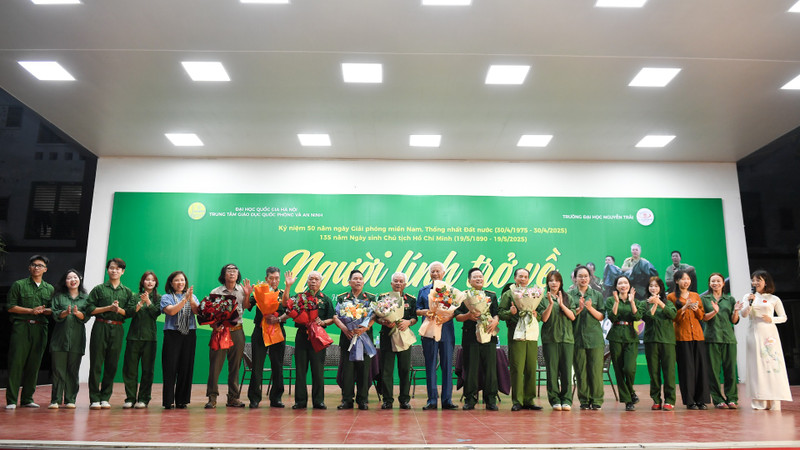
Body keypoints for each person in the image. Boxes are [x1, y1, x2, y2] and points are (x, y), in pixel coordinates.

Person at [740, 270, 793, 410]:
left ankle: (774, 400)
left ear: (766, 282)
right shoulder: (748, 296)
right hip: (753, 332)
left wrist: (772, 319)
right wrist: (749, 304)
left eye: (758, 280)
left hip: (769, 334)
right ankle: (759, 400)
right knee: (756, 365)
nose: (755, 282)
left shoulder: (774, 299)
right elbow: (743, 314)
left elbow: (784, 317)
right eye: (753, 280)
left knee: (771, 364)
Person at [5, 255, 53, 409]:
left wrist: (45, 310)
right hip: (22, 326)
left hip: (40, 328)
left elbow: (53, 309)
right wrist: (31, 311)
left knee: (34, 364)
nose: (36, 268)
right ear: (29, 267)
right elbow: (10, 307)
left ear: (45, 269)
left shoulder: (50, 289)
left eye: (40, 265)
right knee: (16, 363)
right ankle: (11, 400)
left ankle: (27, 399)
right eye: (34, 265)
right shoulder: (19, 285)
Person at [87, 257, 135, 410]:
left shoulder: (127, 292)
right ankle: (94, 398)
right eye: (112, 268)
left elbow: (130, 312)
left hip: (117, 328)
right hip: (100, 326)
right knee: (96, 363)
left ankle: (105, 397)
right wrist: (108, 308)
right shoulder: (99, 289)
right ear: (107, 270)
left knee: (112, 364)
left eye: (118, 268)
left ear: (123, 272)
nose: (114, 271)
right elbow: (89, 309)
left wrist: (118, 310)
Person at [283, 270, 334, 409]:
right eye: (311, 279)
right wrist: (288, 286)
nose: (313, 281)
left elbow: (332, 318)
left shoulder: (325, 299)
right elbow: (286, 304)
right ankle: (300, 401)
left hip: (318, 338)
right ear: (307, 281)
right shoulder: (299, 297)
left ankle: (318, 401)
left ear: (321, 282)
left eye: (316, 279)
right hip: (302, 336)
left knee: (318, 371)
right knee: (300, 371)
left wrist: (323, 322)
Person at [205, 263, 253, 409]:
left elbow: (247, 307)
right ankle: (212, 398)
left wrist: (248, 294)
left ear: (238, 275)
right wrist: (214, 326)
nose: (232, 273)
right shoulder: (216, 291)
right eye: (229, 270)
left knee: (235, 366)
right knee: (215, 365)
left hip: (237, 331)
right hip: (220, 331)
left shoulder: (242, 290)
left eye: (234, 271)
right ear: (223, 274)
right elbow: (209, 313)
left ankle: (233, 397)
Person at [498, 268, 543, 411]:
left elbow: (540, 314)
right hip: (516, 333)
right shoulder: (509, 293)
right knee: (517, 368)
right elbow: (500, 313)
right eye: (520, 276)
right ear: (515, 278)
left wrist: (536, 315)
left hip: (531, 334)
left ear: (528, 279)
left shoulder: (533, 293)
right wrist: (510, 313)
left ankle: (529, 400)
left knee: (531, 368)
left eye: (525, 277)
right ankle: (517, 401)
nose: (523, 279)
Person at [455, 268, 499, 411]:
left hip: (489, 335)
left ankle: (490, 400)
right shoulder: (464, 296)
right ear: (469, 281)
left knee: (490, 370)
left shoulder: (491, 295)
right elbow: (458, 316)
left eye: (480, 276)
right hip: (470, 337)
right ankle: (470, 399)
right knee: (471, 369)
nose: (478, 279)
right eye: (475, 277)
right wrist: (468, 316)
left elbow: (496, 313)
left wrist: (495, 321)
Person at [416, 261, 458, 410]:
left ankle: (447, 400)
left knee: (447, 365)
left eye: (437, 271)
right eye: (432, 271)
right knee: (430, 365)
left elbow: (455, 311)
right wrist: (425, 312)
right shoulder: (423, 291)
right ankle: (432, 400)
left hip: (446, 331)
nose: (435, 274)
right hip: (429, 331)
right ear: (429, 274)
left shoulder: (450, 290)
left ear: (443, 274)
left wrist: (448, 317)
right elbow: (417, 310)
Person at [667, 269, 710, 410]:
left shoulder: (695, 295)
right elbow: (673, 317)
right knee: (686, 369)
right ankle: (690, 401)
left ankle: (701, 400)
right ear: (677, 281)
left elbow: (701, 316)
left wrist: (696, 309)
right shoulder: (671, 297)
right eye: (683, 279)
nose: (686, 281)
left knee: (700, 368)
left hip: (697, 335)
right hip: (682, 336)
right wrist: (684, 307)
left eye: (688, 279)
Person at [333, 269, 376, 410]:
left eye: (360, 279)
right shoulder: (342, 298)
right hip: (348, 339)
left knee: (364, 371)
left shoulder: (370, 298)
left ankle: (362, 399)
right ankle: (347, 400)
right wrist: (345, 329)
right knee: (348, 371)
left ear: (363, 282)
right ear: (349, 282)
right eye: (355, 279)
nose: (358, 281)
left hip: (365, 339)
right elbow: (335, 316)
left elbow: (375, 316)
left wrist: (365, 328)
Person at [247, 266, 289, 408]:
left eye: (277, 278)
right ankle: (254, 398)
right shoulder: (259, 291)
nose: (274, 281)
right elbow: (247, 305)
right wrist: (247, 294)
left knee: (277, 366)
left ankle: (276, 398)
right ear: (266, 279)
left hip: (277, 332)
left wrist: (278, 319)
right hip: (260, 333)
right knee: (257, 366)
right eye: (271, 278)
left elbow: (289, 311)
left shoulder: (283, 293)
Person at [48, 269, 89, 410]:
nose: (72, 280)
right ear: (65, 282)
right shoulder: (58, 297)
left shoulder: (85, 298)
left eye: (75, 277)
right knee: (58, 371)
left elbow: (87, 316)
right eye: (69, 278)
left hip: (77, 340)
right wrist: (64, 313)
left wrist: (78, 314)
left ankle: (70, 399)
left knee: (73, 371)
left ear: (79, 279)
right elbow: (54, 313)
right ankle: (55, 400)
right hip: (59, 340)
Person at [376, 272, 417, 410]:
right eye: (396, 281)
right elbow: (377, 317)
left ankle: (404, 400)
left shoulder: (411, 299)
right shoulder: (383, 298)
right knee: (386, 370)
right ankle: (387, 400)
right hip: (387, 337)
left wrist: (408, 322)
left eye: (401, 281)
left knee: (404, 369)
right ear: (391, 284)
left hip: (404, 338)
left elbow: (415, 317)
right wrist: (384, 321)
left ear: (405, 284)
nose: (398, 283)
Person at [537, 271, 576, 411]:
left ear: (561, 283)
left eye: (557, 280)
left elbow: (573, 316)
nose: (554, 283)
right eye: (551, 280)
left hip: (567, 339)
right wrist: (550, 304)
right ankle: (554, 400)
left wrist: (562, 304)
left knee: (566, 371)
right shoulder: (542, 298)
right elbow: (544, 318)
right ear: (547, 283)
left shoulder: (568, 297)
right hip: (550, 339)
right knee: (552, 371)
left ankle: (567, 400)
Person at [122, 271, 161, 409]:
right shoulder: (134, 296)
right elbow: (128, 312)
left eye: (152, 280)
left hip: (150, 339)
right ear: (142, 282)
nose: (150, 282)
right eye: (147, 279)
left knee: (147, 370)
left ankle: (144, 399)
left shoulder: (158, 298)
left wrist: (148, 302)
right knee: (130, 369)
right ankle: (130, 398)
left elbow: (156, 313)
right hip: (133, 337)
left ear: (156, 283)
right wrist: (140, 303)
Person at [701, 273, 740, 409]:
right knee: (713, 371)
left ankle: (732, 398)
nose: (715, 283)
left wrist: (736, 311)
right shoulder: (704, 299)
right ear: (709, 284)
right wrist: (714, 312)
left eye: (718, 281)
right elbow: (703, 318)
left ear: (723, 283)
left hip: (729, 338)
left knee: (730, 371)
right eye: (713, 281)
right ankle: (718, 400)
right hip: (711, 338)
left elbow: (734, 320)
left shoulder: (730, 299)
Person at [160, 270, 199, 409]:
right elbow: (171, 311)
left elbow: (197, 311)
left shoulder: (192, 296)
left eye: (182, 280)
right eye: (176, 280)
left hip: (189, 333)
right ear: (171, 283)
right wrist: (184, 300)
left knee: (186, 367)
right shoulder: (166, 297)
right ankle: (168, 400)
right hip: (172, 334)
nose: (180, 283)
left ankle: (182, 400)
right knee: (170, 367)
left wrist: (190, 299)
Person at [569, 265, 605, 411]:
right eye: (580, 276)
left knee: (595, 371)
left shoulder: (597, 295)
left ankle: (596, 400)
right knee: (580, 371)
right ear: (575, 278)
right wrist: (579, 309)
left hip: (595, 338)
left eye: (585, 276)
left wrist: (590, 308)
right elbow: (568, 316)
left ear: (590, 278)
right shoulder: (569, 295)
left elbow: (601, 316)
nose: (583, 279)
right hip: (576, 337)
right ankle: (584, 400)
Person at [605, 275, 642, 411]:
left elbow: (637, 317)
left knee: (629, 368)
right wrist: (616, 302)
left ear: (629, 285)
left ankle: (630, 391)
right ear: (616, 286)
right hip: (616, 336)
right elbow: (612, 317)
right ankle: (628, 401)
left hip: (631, 336)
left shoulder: (635, 301)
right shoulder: (610, 300)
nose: (623, 285)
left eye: (625, 283)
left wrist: (632, 302)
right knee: (619, 369)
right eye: (620, 283)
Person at [642, 276, 677, 411]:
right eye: (651, 286)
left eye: (656, 286)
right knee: (654, 372)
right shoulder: (644, 303)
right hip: (651, 341)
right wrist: (654, 304)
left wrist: (660, 303)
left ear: (661, 288)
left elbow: (673, 315)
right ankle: (656, 400)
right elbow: (646, 318)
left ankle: (670, 400)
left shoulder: (668, 302)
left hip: (667, 341)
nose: (653, 288)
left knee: (669, 372)